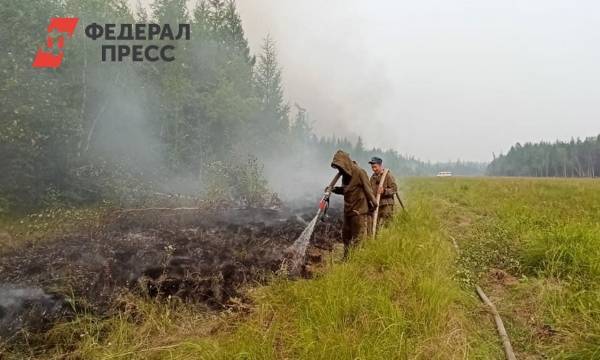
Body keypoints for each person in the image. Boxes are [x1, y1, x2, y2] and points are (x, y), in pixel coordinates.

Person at [328, 150, 378, 258]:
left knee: (357, 238)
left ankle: (354, 260)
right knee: (345, 235)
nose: (339, 170)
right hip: (348, 210)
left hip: (359, 210)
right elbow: (346, 190)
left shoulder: (360, 172)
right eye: (337, 167)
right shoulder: (345, 175)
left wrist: (374, 204)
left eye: (340, 167)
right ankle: (346, 258)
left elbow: (368, 190)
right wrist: (334, 189)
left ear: (346, 163)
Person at [368, 156, 398, 230]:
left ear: (380, 165)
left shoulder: (387, 175)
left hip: (386, 204)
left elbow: (394, 189)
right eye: (372, 167)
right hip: (376, 205)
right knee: (375, 225)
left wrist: (384, 191)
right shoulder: (372, 178)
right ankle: (376, 240)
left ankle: (389, 238)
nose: (374, 169)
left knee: (387, 224)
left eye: (375, 167)